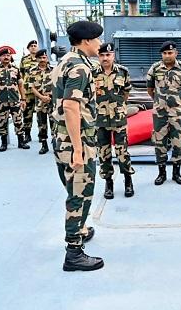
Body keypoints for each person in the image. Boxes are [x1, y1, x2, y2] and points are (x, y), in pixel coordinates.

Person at [51, 20, 104, 272]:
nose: (100, 44)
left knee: (74, 188)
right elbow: (71, 106)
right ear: (86, 41)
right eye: (97, 39)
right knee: (79, 196)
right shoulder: (79, 68)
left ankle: (81, 229)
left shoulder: (64, 61)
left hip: (61, 138)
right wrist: (79, 150)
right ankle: (74, 253)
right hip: (76, 140)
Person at [147, 41, 181, 185]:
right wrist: (158, 102)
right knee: (159, 143)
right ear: (161, 54)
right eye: (165, 53)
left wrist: (180, 102)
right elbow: (150, 89)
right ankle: (161, 173)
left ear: (176, 53)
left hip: (177, 113)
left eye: (170, 53)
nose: (167, 56)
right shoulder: (155, 68)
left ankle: (176, 173)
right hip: (160, 113)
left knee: (177, 143)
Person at [95, 42, 135, 199]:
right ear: (99, 56)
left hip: (118, 119)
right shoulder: (92, 73)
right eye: (102, 55)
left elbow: (126, 93)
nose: (105, 58)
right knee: (103, 153)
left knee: (122, 152)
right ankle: (108, 183)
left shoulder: (123, 72)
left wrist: (119, 108)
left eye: (108, 55)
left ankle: (128, 180)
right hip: (100, 120)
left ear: (113, 56)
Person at [0, 46, 30, 151]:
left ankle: (21, 142)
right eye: (4, 55)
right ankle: (4, 143)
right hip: (2, 101)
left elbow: (21, 86)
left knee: (18, 121)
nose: (6, 57)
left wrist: (23, 99)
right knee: (2, 122)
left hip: (15, 100)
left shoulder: (15, 70)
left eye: (8, 55)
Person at [30, 49, 54, 154]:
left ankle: (56, 144)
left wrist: (49, 95)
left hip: (52, 102)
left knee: (55, 124)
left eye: (44, 57)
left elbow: (57, 85)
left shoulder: (54, 70)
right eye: (40, 58)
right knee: (41, 124)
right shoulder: (32, 71)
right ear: (37, 59)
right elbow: (32, 88)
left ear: (47, 58)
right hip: (40, 103)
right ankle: (44, 145)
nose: (42, 60)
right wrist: (41, 97)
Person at [19, 40, 39, 143]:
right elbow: (21, 75)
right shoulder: (24, 59)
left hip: (40, 90)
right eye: (31, 46)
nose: (33, 47)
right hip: (28, 91)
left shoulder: (42, 58)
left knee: (41, 114)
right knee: (27, 114)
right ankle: (27, 134)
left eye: (35, 46)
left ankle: (42, 135)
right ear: (28, 48)